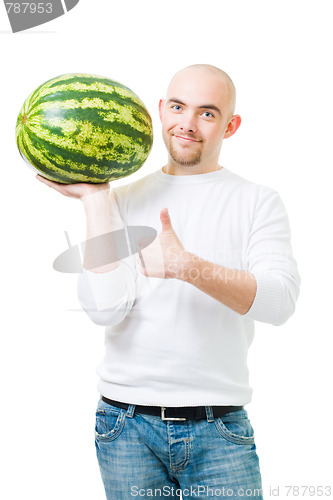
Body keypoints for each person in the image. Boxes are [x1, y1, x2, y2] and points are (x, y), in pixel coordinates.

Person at [37, 64, 300, 499]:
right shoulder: (120, 198)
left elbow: (280, 303)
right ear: (161, 110)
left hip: (219, 429)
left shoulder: (257, 201)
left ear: (230, 126)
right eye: (178, 107)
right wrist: (95, 199)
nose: (188, 124)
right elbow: (105, 309)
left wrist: (186, 266)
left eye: (207, 113)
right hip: (125, 427)